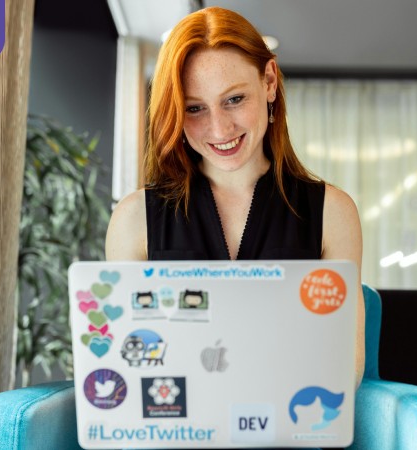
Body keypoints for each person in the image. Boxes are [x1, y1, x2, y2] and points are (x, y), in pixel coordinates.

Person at [105, 6, 365, 385]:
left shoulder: (332, 213)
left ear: (270, 81)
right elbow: (126, 360)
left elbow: (346, 364)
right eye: (195, 108)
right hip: (174, 434)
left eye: (234, 99)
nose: (219, 128)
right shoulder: (134, 218)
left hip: (292, 431)